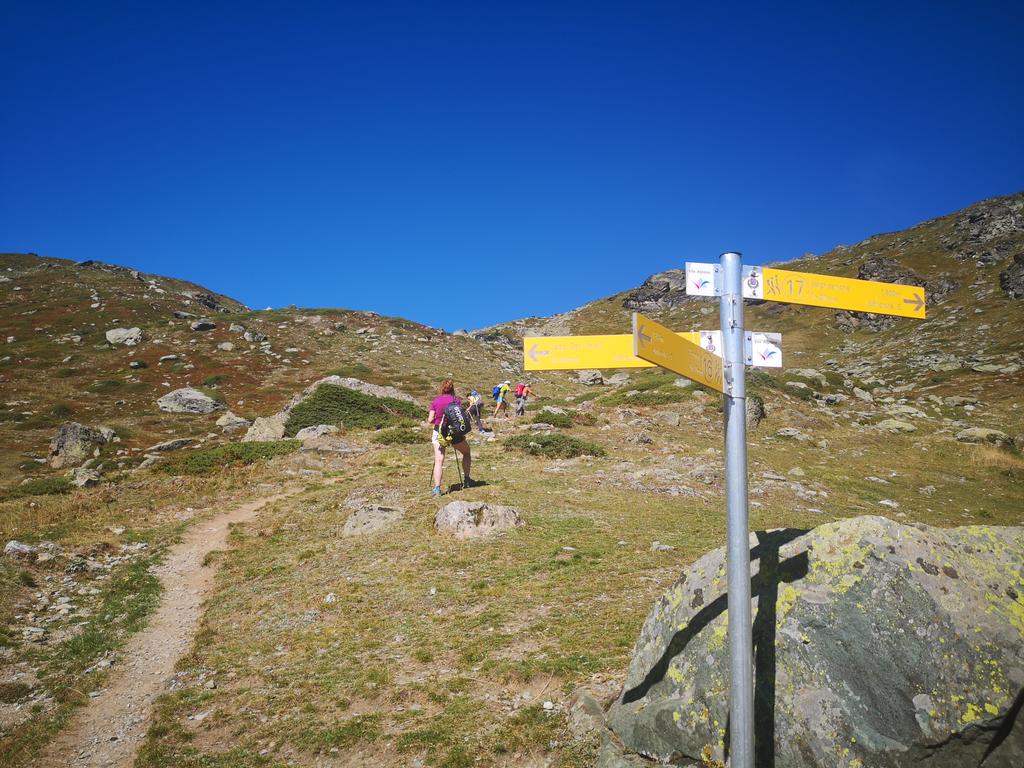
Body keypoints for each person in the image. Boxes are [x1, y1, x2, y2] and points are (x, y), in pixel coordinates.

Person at [427, 379, 473, 496]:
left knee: (439, 460)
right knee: (466, 452)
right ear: (452, 388)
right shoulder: (456, 400)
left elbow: (430, 420)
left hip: (439, 432)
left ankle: (437, 489)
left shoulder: (435, 401)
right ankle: (467, 480)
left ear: (441, 388)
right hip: (454, 433)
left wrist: (439, 421)